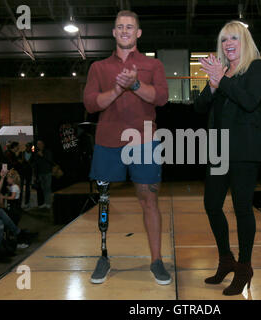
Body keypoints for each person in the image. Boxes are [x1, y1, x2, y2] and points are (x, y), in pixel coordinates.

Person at [83, 10, 169, 286]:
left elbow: (162, 99)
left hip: (144, 140)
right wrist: (118, 90)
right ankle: (104, 256)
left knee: (149, 199)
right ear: (113, 32)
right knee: (104, 199)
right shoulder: (98, 67)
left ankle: (156, 261)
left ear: (138, 33)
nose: (124, 31)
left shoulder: (152, 65)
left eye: (130, 27)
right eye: (119, 27)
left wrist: (134, 84)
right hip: (107, 141)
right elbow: (91, 104)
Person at [194, 20, 261, 296]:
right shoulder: (220, 70)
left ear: (244, 41)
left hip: (245, 150)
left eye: (233, 38)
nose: (228, 44)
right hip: (218, 150)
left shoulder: (258, 67)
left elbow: (249, 101)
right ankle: (226, 259)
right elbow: (199, 106)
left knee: (241, 208)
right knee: (211, 205)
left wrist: (222, 80)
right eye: (224, 40)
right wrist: (213, 84)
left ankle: (245, 266)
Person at [34, 140, 53, 209]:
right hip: (40, 173)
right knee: (43, 188)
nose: (39, 145)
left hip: (47, 172)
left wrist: (42, 155)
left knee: (48, 188)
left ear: (43, 144)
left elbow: (50, 161)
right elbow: (36, 164)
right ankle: (45, 202)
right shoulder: (36, 153)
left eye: (40, 144)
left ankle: (49, 203)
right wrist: (35, 175)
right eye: (37, 144)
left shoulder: (47, 152)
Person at [19, 142, 33, 209]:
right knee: (21, 188)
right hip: (22, 172)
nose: (28, 147)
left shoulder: (33, 154)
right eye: (27, 146)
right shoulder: (22, 153)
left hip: (29, 173)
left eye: (29, 146)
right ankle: (20, 203)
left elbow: (34, 163)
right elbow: (18, 161)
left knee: (28, 189)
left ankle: (27, 203)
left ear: (31, 147)